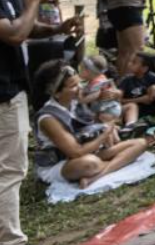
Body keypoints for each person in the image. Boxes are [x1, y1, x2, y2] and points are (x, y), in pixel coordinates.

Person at [0, 0, 80, 245]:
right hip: (2, 91)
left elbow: (28, 27)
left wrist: (58, 29)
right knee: (10, 170)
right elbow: (15, 33)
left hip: (13, 85)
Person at [33, 61, 146, 191]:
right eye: (73, 86)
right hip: (62, 164)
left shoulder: (74, 103)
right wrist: (104, 135)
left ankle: (96, 176)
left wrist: (105, 127)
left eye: (79, 83)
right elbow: (76, 152)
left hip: (89, 153)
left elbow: (90, 125)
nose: (80, 88)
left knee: (140, 143)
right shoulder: (48, 118)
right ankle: (119, 162)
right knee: (90, 163)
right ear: (56, 93)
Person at [118, 53, 155, 126]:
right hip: (134, 112)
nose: (129, 64)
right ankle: (132, 126)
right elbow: (118, 100)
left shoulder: (149, 76)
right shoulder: (126, 80)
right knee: (132, 105)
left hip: (152, 111)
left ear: (144, 68)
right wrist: (140, 99)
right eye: (131, 61)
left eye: (134, 62)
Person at [78, 55, 122, 125]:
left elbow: (88, 98)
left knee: (102, 124)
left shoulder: (98, 84)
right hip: (103, 108)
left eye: (81, 69)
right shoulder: (97, 78)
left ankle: (112, 128)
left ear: (88, 71)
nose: (79, 71)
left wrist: (80, 96)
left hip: (108, 110)